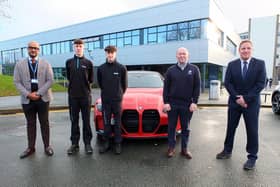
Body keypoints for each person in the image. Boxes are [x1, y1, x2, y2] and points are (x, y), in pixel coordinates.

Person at [216, 40, 266, 170]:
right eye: (243, 48)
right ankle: (227, 150)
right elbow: (228, 83)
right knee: (231, 127)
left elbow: (260, 84)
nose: (246, 50)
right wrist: (237, 98)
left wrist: (246, 99)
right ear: (239, 50)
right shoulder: (232, 65)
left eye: (248, 48)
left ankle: (252, 157)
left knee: (252, 130)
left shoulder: (260, 64)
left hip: (251, 104)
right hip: (234, 102)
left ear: (251, 50)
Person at [14, 41, 54, 159]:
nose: (33, 50)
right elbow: (16, 82)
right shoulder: (19, 64)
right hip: (27, 100)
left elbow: (50, 80)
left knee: (44, 123)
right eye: (31, 48)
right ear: (27, 49)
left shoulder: (46, 63)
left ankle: (47, 146)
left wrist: (38, 93)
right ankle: (31, 148)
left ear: (39, 50)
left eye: (35, 48)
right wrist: (28, 94)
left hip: (43, 98)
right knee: (30, 124)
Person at [163, 47, 201, 159]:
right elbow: (166, 88)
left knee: (186, 128)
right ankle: (171, 147)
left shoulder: (194, 69)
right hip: (173, 104)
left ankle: (184, 149)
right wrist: (166, 102)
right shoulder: (170, 70)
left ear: (187, 55)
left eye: (184, 54)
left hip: (187, 105)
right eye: (180, 54)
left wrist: (195, 102)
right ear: (176, 56)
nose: (182, 56)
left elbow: (197, 87)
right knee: (171, 127)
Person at [97, 45, 127, 155]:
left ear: (115, 53)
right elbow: (100, 83)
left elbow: (124, 85)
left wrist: (118, 95)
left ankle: (118, 143)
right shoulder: (101, 68)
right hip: (106, 101)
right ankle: (106, 143)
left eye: (112, 53)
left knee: (118, 123)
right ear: (106, 54)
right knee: (106, 123)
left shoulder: (121, 68)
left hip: (117, 101)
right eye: (108, 53)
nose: (110, 55)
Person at [66, 39, 94, 155]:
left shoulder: (88, 63)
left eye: (80, 46)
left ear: (83, 48)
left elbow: (91, 79)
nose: (78, 48)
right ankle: (74, 144)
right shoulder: (69, 62)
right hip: (73, 96)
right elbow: (69, 77)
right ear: (74, 47)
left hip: (85, 97)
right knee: (74, 121)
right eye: (76, 46)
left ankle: (87, 144)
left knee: (86, 121)